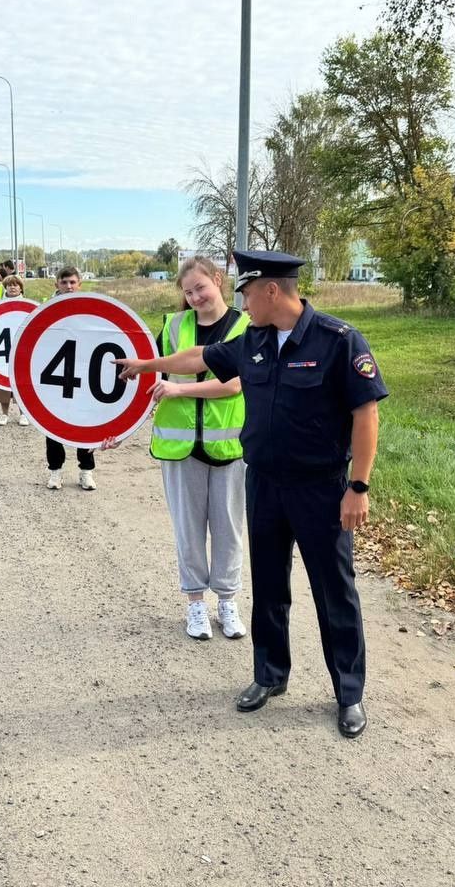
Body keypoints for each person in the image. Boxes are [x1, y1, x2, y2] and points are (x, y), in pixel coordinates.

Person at [117, 250, 387, 738]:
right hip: (263, 482)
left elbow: (366, 415)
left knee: (334, 592)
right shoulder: (254, 339)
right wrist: (147, 364)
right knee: (268, 587)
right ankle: (269, 676)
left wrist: (358, 486)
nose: (241, 301)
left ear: (270, 290)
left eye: (245, 292)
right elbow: (199, 357)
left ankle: (349, 693)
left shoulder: (337, 340)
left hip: (322, 489)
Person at [149, 257, 250, 641]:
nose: (194, 297)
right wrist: (118, 429)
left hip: (229, 447)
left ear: (218, 280)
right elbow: (153, 379)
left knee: (229, 529)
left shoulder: (245, 325)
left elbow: (234, 384)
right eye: (188, 292)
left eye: (200, 288)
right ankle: (195, 604)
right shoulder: (174, 327)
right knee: (188, 531)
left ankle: (227, 601)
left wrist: (180, 389)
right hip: (179, 448)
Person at [45, 266, 97, 491]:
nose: (68, 286)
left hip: (84, 378)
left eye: (73, 282)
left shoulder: (91, 309)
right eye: (64, 282)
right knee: (52, 425)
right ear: (56, 284)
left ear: (80, 284)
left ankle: (86, 471)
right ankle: (55, 472)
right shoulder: (45, 310)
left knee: (85, 425)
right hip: (54, 378)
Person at [0, 276, 30, 427]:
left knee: (22, 383)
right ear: (5, 288)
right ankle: (4, 414)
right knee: (1, 382)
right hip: (2, 349)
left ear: (21, 288)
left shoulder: (28, 305)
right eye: (10, 285)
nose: (13, 288)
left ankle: (23, 414)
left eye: (16, 285)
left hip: (22, 349)